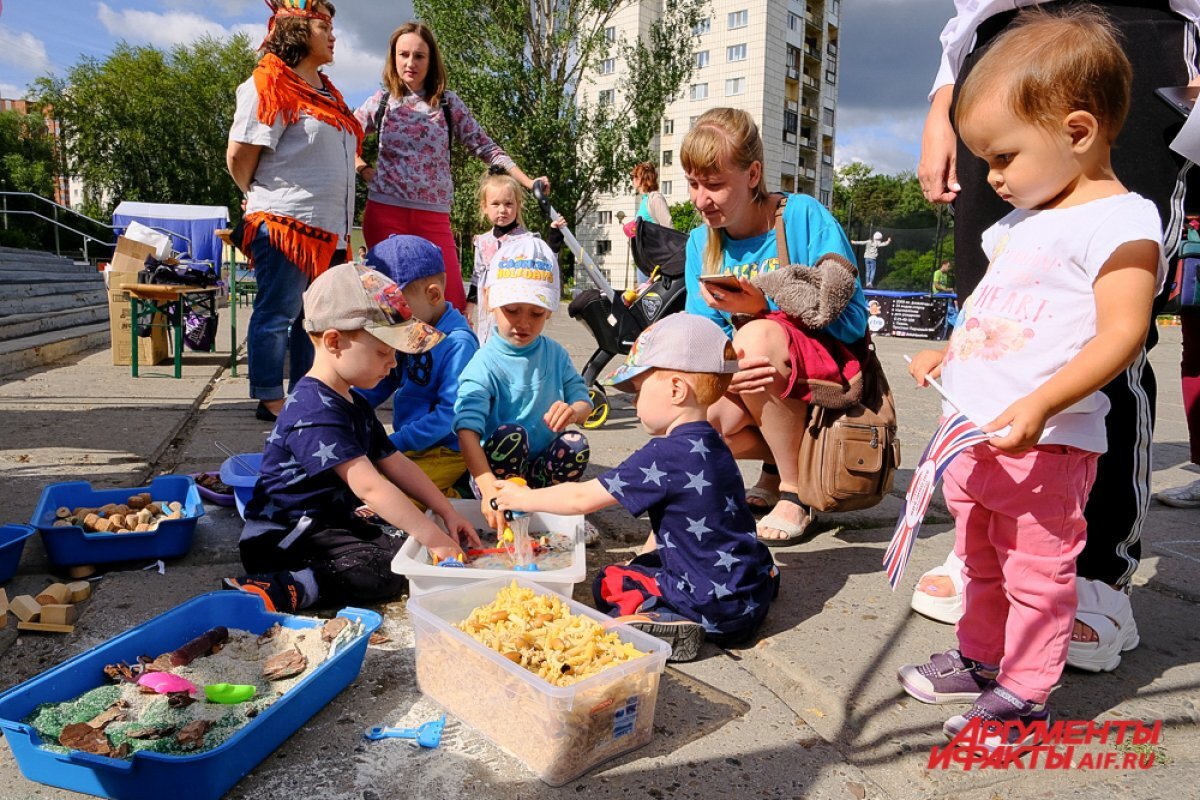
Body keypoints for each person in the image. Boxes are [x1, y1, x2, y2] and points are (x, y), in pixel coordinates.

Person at [898, 8, 1166, 743]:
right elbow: (993, 312)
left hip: (1047, 443)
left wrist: (1044, 400)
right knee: (981, 562)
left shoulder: (1120, 221)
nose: (992, 176)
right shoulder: (1016, 225)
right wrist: (948, 353)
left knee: (1038, 578)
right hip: (981, 437)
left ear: (1078, 132)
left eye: (1004, 157)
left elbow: (1123, 331)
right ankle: (983, 659)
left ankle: (1025, 693)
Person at [495, 314, 780, 662]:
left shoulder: (663, 454)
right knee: (717, 555)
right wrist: (645, 556)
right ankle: (741, 592)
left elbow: (581, 497)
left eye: (639, 390)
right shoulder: (716, 443)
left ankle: (652, 619)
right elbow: (676, 519)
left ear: (676, 390)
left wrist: (524, 497)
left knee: (611, 580)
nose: (632, 403)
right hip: (748, 596)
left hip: (706, 605)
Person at [224, 263, 481, 612]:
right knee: (384, 569)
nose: (393, 363)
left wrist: (445, 512)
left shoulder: (351, 400)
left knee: (406, 549)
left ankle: (311, 576)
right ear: (334, 341)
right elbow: (371, 486)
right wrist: (434, 535)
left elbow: (396, 463)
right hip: (281, 537)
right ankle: (288, 587)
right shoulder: (313, 410)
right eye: (382, 351)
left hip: (325, 522)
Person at [681, 107, 868, 544]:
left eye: (714, 184)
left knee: (757, 337)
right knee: (691, 415)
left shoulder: (801, 215)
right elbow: (703, 335)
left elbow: (853, 322)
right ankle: (775, 466)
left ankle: (794, 491)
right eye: (693, 183)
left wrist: (762, 307)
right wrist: (722, 367)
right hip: (754, 378)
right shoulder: (699, 243)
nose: (700, 199)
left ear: (753, 174)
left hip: (827, 376)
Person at [227, 0, 362, 423]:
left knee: (316, 320)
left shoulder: (329, 94)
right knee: (278, 313)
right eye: (325, 25)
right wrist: (262, 198)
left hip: (328, 233)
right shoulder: (269, 84)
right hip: (286, 224)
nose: (333, 34)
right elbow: (238, 156)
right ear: (298, 30)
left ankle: (308, 394)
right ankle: (270, 397)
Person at [353, 22, 548, 311]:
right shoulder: (380, 103)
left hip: (433, 217)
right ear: (393, 58)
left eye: (419, 56)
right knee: (390, 305)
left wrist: (528, 182)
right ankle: (393, 358)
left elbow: (486, 147)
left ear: (431, 61)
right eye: (403, 54)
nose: (410, 62)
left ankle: (446, 356)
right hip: (385, 213)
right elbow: (343, 136)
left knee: (451, 301)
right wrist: (362, 169)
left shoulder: (446, 104)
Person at [454, 257, 592, 531]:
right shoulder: (484, 363)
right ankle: (504, 507)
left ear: (550, 311)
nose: (523, 323)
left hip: (539, 471)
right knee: (511, 435)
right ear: (491, 303)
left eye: (536, 313)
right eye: (512, 310)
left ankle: (552, 511)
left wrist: (574, 410)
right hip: (496, 473)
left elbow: (583, 400)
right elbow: (466, 429)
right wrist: (486, 485)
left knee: (575, 444)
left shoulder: (554, 353)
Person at [355, 235, 479, 498]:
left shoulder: (458, 343)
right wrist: (346, 401)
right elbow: (385, 377)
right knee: (360, 482)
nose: (387, 313)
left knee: (395, 497)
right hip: (411, 445)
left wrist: (392, 444)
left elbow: (451, 415)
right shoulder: (413, 328)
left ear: (433, 294)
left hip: (447, 450)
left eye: (395, 304)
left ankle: (460, 494)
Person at [465, 167, 534, 343]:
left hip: (514, 311)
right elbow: (477, 276)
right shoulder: (482, 241)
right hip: (487, 315)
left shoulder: (526, 241)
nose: (502, 210)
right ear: (485, 207)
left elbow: (540, 274)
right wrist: (469, 307)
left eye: (508, 204)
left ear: (518, 206)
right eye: (495, 204)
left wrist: (554, 239)